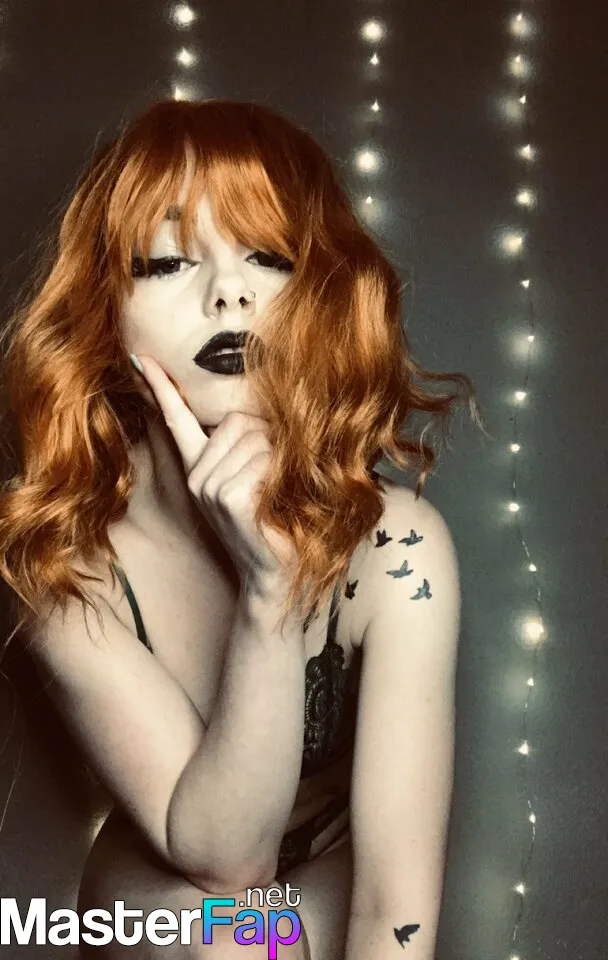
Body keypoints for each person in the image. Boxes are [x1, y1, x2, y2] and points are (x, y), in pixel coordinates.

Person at [0, 98, 484, 960]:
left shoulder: (397, 548)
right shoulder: (58, 557)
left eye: (269, 256)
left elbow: (393, 906)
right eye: (166, 262)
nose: (229, 292)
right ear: (102, 315)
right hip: (170, 879)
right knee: (231, 938)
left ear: (320, 299)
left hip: (331, 864)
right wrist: (268, 593)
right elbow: (228, 862)